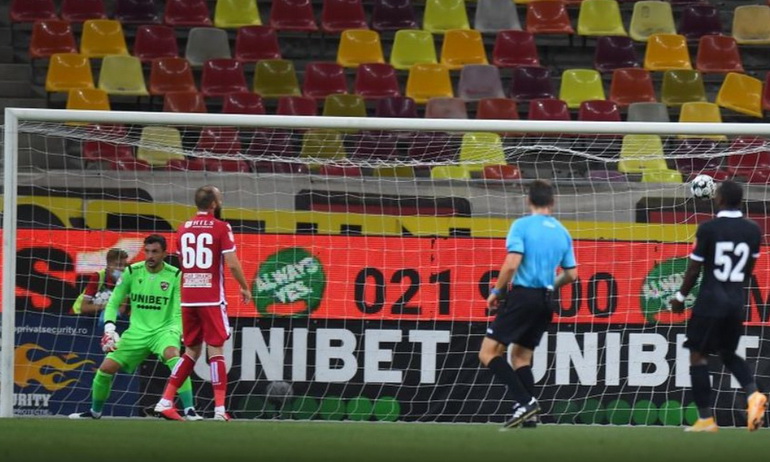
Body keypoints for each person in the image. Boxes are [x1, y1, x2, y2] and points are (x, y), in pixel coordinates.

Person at [69, 234, 202, 421]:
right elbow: (114, 302)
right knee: (105, 368)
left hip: (163, 330)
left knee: (174, 358)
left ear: (164, 253)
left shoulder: (175, 275)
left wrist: (178, 331)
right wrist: (109, 329)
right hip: (136, 333)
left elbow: (179, 310)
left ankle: (190, 410)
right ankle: (95, 412)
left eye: (155, 252)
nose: (150, 256)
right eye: (147, 251)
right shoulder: (132, 272)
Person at [479, 180, 577, 428]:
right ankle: (531, 418)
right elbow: (572, 274)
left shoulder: (521, 226)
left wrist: (497, 291)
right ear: (552, 203)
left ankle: (525, 402)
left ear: (529, 200)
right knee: (520, 357)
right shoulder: (562, 232)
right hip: (545, 300)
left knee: (488, 352)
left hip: (523, 296)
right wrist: (549, 286)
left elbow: (512, 263)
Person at [670, 180, 767, 433]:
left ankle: (706, 419)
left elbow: (693, 269)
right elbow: (748, 270)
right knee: (727, 353)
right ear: (741, 201)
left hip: (710, 301)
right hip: (736, 302)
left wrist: (680, 298)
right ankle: (753, 394)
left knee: (697, 355)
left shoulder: (708, 229)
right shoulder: (753, 231)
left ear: (719, 199)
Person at [154, 186, 251, 422]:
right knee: (215, 350)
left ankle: (165, 401)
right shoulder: (221, 227)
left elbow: (182, 261)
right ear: (214, 204)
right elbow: (233, 263)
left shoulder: (183, 228)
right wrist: (245, 286)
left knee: (191, 351)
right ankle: (219, 410)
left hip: (188, 297)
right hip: (211, 297)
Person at [72, 248, 128, 316]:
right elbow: (84, 307)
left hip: (102, 316)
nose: (122, 268)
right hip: (78, 315)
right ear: (109, 265)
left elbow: (121, 309)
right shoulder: (98, 277)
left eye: (124, 265)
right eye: (118, 265)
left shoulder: (125, 280)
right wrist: (107, 306)